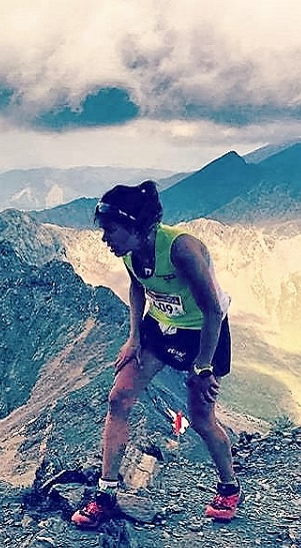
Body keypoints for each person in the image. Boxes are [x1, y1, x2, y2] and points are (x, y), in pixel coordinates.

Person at [71, 181, 240, 528]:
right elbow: (137, 287)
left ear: (137, 227)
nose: (105, 239)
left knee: (201, 418)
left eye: (111, 231)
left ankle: (229, 487)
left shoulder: (182, 250)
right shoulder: (131, 252)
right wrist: (133, 338)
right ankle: (106, 493)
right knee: (119, 398)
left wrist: (204, 366)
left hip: (202, 333)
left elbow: (212, 310)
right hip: (159, 328)